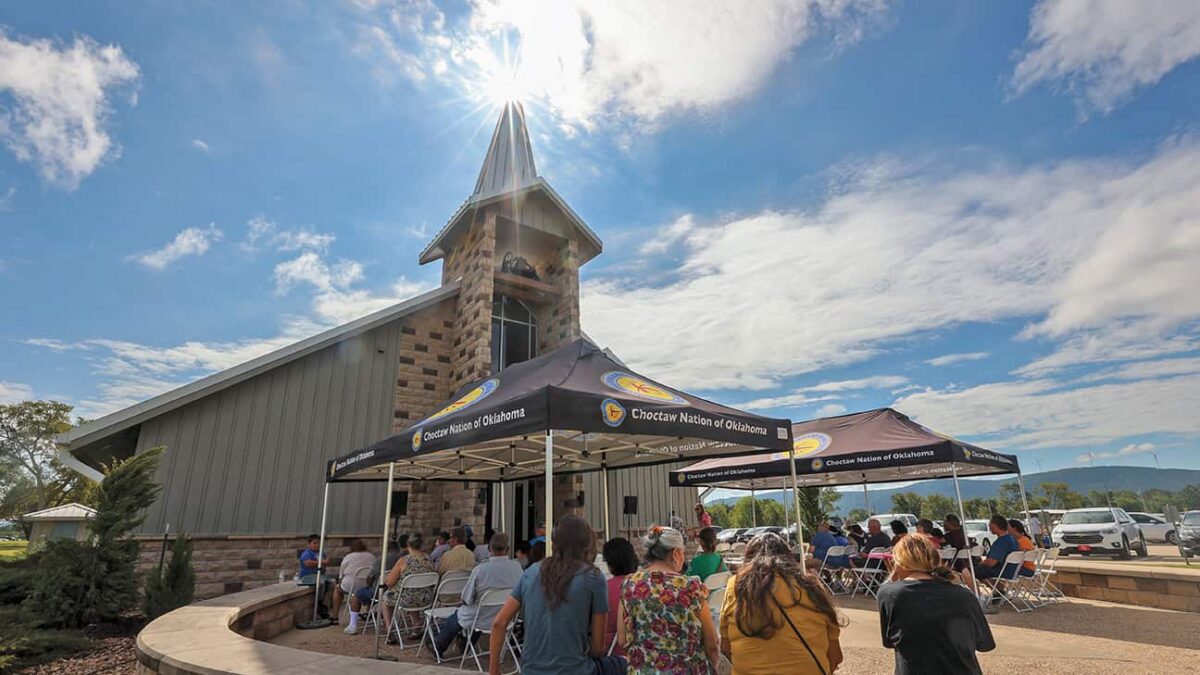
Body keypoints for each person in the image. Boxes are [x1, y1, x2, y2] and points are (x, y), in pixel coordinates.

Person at [487, 514, 626, 675]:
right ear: (587, 542)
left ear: (553, 542)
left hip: (531, 671)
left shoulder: (530, 573)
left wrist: (494, 670)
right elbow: (598, 647)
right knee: (625, 663)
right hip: (577, 670)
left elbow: (499, 623)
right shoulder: (593, 578)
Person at [720, 532, 845, 675]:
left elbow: (725, 647)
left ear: (748, 559)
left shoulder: (736, 586)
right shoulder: (811, 587)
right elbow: (836, 657)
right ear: (789, 557)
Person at [877, 533, 995, 674]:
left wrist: (893, 579)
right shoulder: (964, 596)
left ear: (900, 563)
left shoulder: (889, 594)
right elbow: (984, 644)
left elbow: (889, 641)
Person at [620, 525, 718, 674]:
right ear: (676, 553)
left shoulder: (629, 585)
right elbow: (712, 643)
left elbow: (622, 639)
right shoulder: (692, 587)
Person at [434, 532, 524, 658]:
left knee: (458, 617)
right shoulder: (516, 567)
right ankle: (466, 642)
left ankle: (438, 646)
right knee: (475, 612)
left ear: (489, 549)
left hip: (480, 617)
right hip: (506, 616)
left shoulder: (481, 569)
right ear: (507, 549)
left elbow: (466, 598)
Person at [381, 532, 437, 643]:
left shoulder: (404, 561)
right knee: (413, 591)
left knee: (386, 597)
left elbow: (390, 582)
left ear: (408, 545)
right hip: (426, 599)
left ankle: (389, 630)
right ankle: (417, 624)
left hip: (407, 600)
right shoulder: (429, 559)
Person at [601, 537, 638, 657]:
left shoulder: (603, 588)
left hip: (609, 655)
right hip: (638, 654)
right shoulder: (643, 587)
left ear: (610, 564)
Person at [333, 539, 376, 634]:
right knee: (370, 586)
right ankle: (367, 612)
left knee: (337, 589)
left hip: (350, 585)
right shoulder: (371, 556)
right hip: (365, 585)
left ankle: (335, 617)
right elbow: (373, 573)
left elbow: (341, 574)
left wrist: (340, 580)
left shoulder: (348, 557)